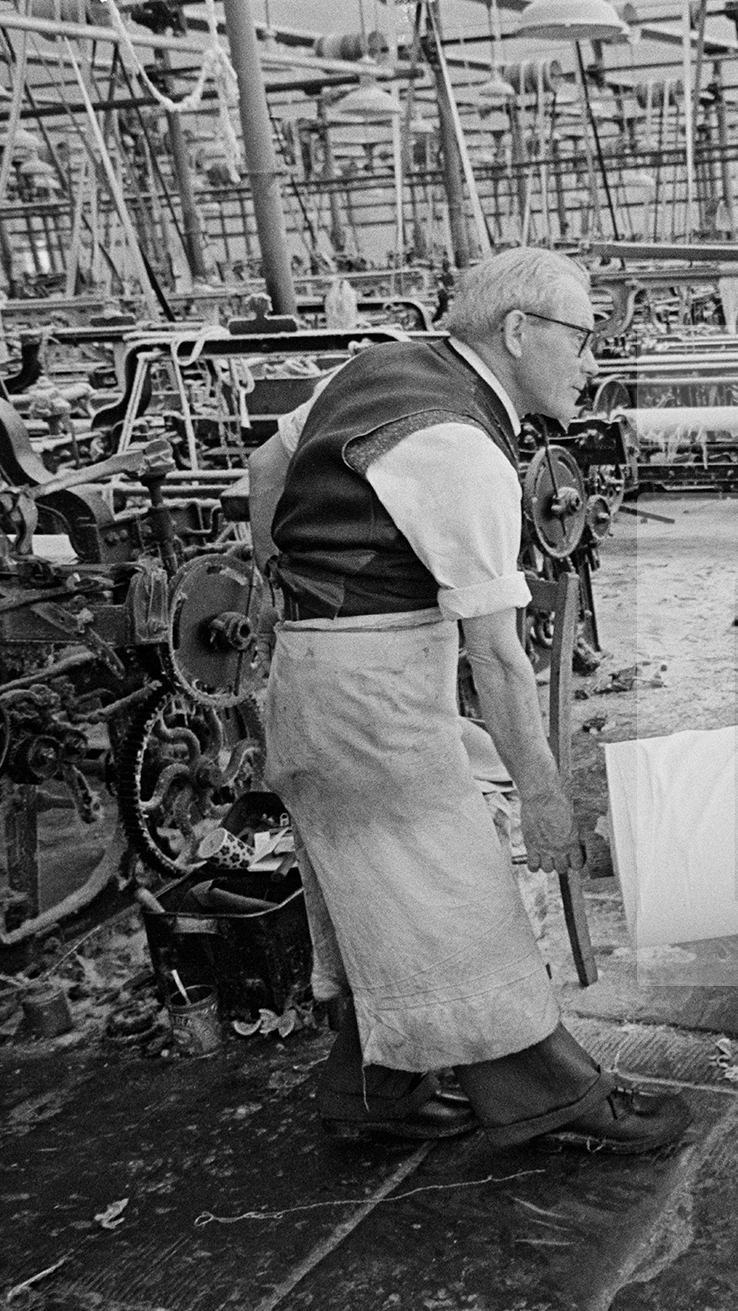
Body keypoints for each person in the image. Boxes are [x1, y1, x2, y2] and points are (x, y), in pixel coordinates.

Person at [247, 247, 691, 1153]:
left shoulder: (378, 367)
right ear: (518, 332)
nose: (592, 361)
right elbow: (495, 652)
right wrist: (544, 795)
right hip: (370, 695)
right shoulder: (457, 447)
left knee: (381, 889)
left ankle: (376, 1095)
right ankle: (553, 1098)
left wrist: (284, 583)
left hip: (314, 673)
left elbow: (266, 462)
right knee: (454, 887)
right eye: (582, 337)